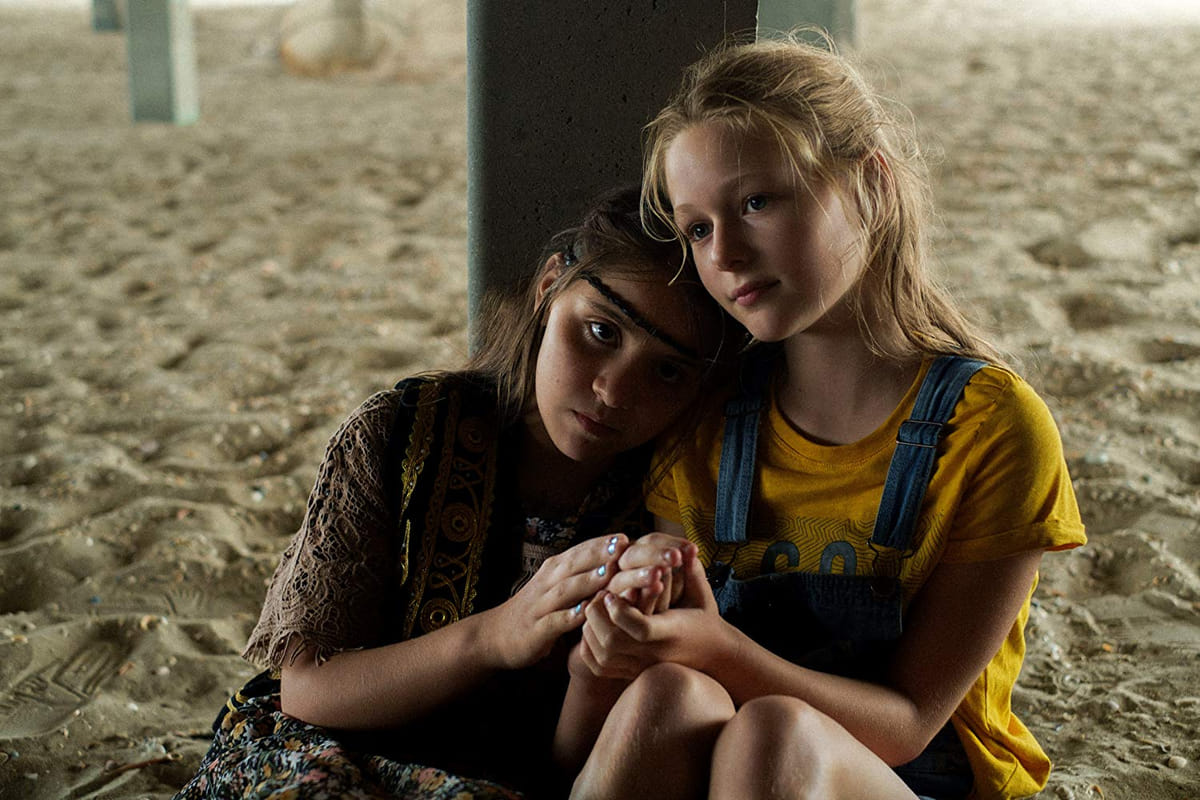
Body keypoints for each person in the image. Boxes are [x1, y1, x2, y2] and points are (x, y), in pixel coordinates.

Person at [554, 34, 1087, 800]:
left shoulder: (992, 428)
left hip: (918, 778)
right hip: (735, 770)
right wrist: (625, 645)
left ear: (871, 182)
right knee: (670, 695)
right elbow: (616, 729)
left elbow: (910, 722)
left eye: (757, 202)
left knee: (776, 733)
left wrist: (718, 648)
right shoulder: (705, 420)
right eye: (698, 228)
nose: (725, 254)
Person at [173, 185, 727, 800]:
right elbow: (306, 688)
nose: (614, 392)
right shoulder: (401, 435)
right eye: (600, 331)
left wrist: (592, 674)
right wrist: (493, 635)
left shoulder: (663, 505)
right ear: (549, 289)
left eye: (668, 370)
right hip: (329, 749)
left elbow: (567, 770)